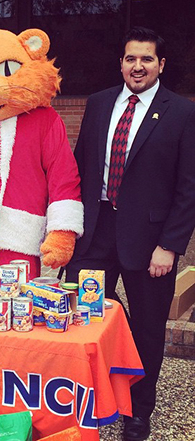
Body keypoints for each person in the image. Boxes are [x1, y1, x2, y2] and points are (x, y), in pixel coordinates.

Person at [66, 27, 195, 441]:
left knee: (147, 328)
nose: (137, 66)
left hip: (150, 243)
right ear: (121, 62)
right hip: (96, 234)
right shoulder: (99, 103)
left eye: (146, 59)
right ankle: (90, 400)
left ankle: (139, 413)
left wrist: (170, 246)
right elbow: (81, 166)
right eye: (129, 58)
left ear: (160, 65)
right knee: (84, 318)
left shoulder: (181, 112)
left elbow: (189, 186)